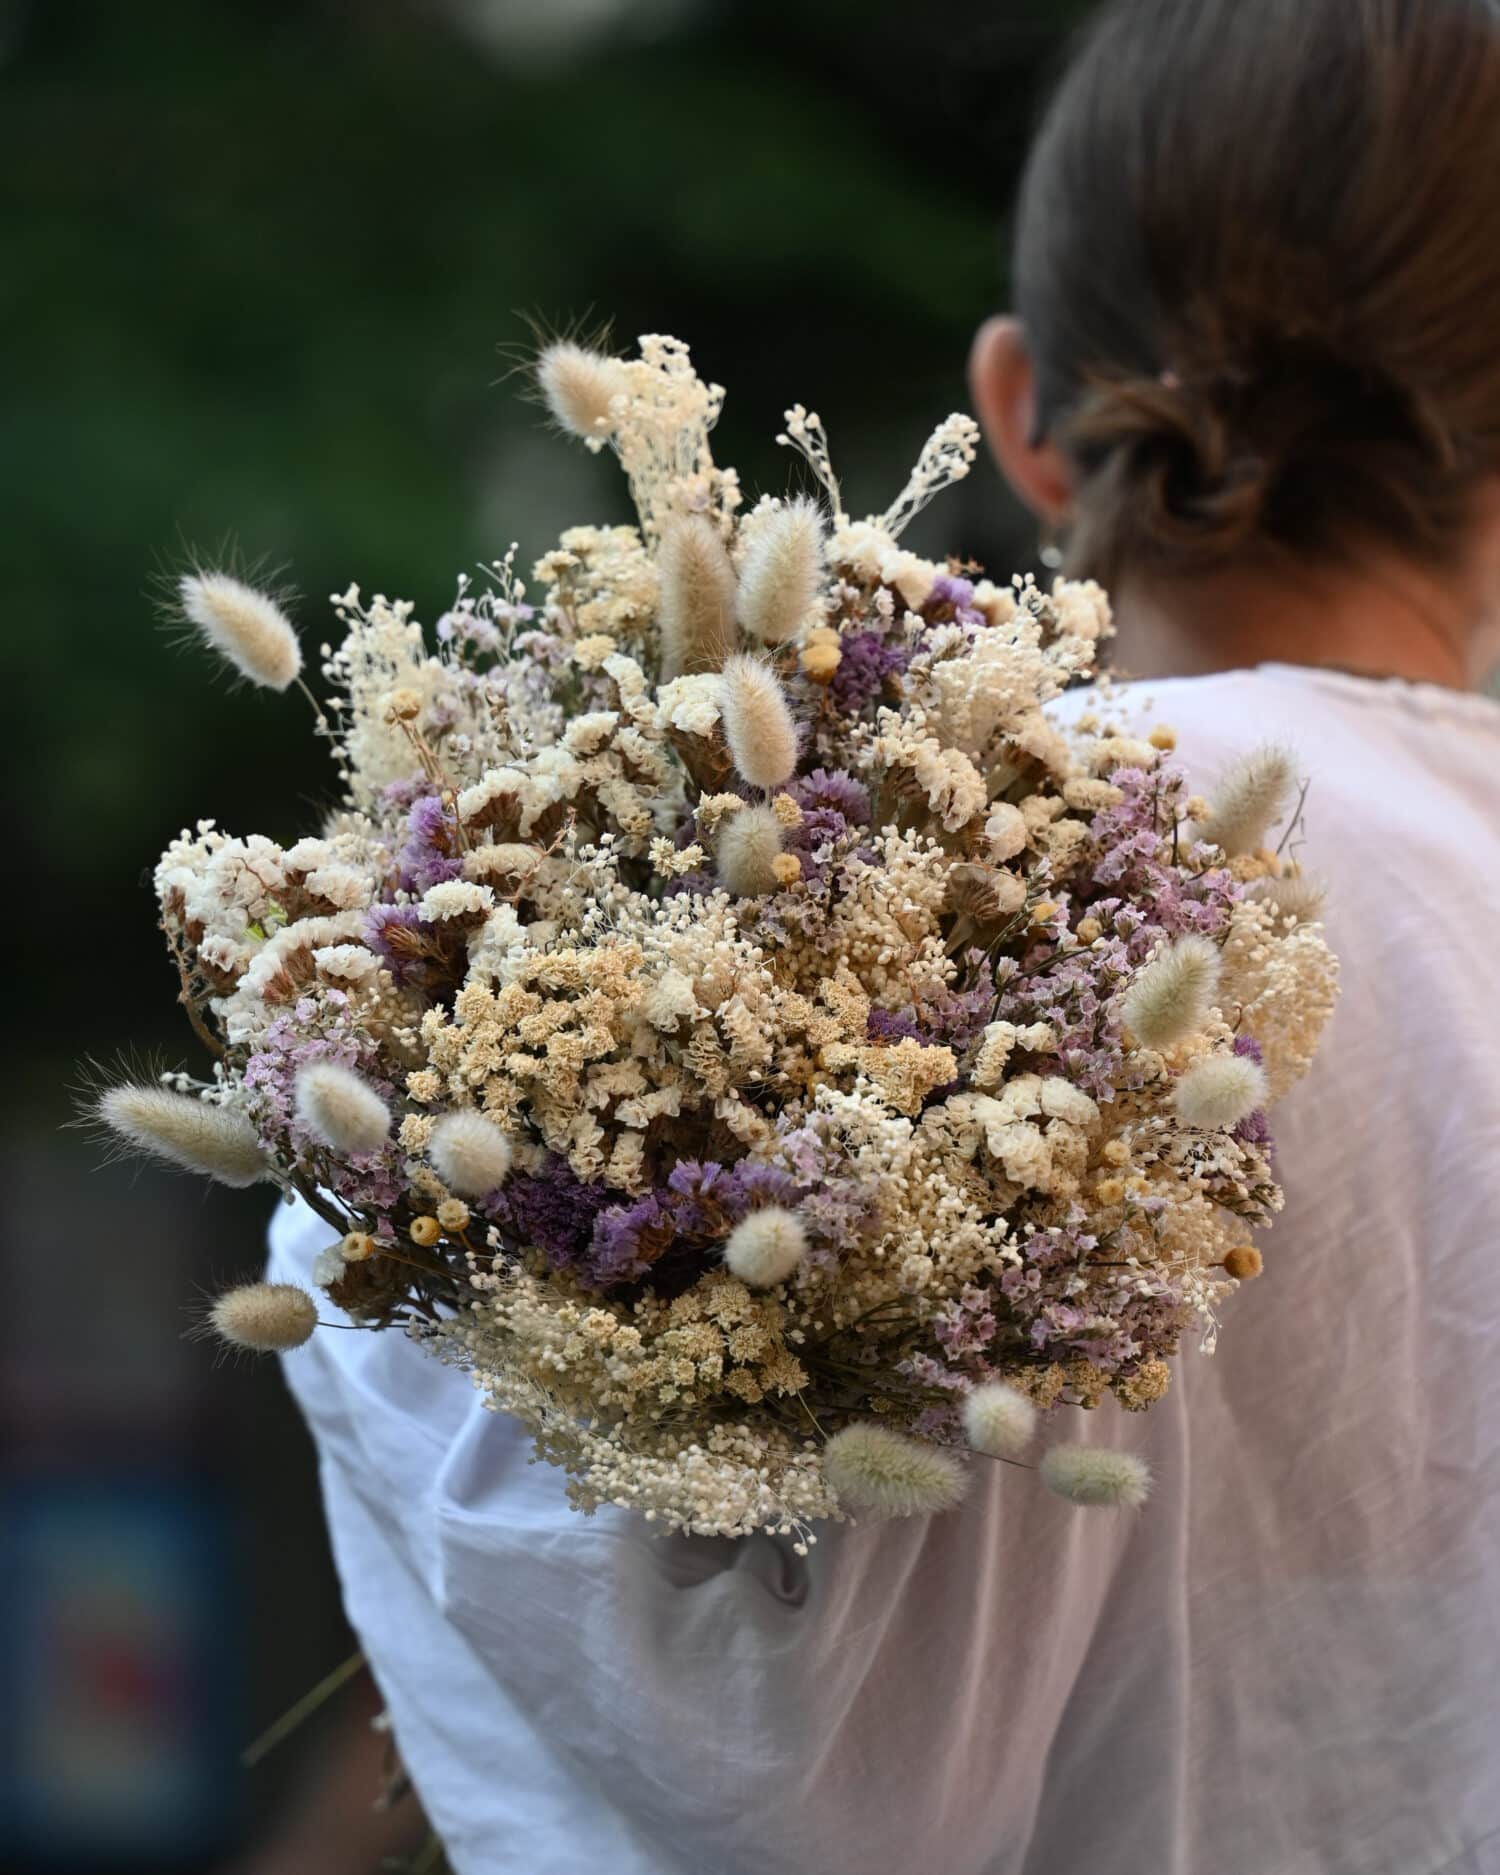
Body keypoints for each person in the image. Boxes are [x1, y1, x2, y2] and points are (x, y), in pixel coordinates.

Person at [269, 1, 1500, 1868]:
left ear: (1019, 405)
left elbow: (759, 1764)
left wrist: (349, 1145)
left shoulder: (918, 870)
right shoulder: (1023, 869)